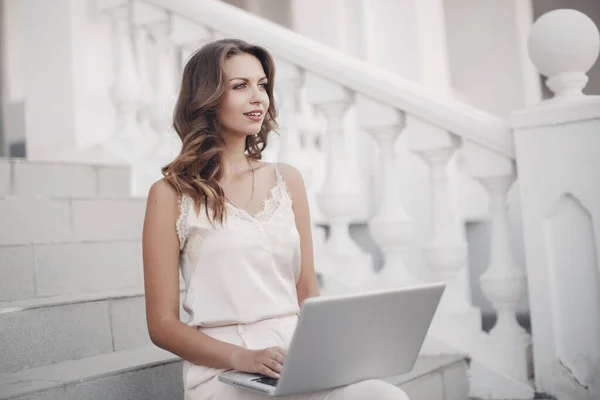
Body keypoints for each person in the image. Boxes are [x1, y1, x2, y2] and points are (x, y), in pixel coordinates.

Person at [142, 38, 410, 400]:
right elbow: (162, 326)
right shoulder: (171, 194)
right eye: (240, 86)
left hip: (296, 359)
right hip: (226, 370)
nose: (259, 98)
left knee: (385, 396)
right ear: (207, 98)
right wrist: (245, 357)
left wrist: (335, 355)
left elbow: (307, 292)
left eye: (262, 85)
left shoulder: (288, 180)